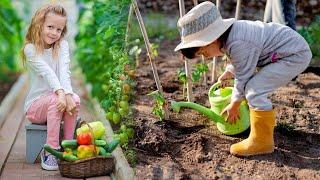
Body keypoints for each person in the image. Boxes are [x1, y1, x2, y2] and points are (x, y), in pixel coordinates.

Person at [175, 1, 311, 156]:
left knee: (254, 89)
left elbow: (243, 74)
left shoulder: (238, 41)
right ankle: (260, 127)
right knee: (252, 88)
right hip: (284, 53)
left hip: (293, 56)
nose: (205, 57)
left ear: (211, 40)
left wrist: (234, 104)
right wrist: (229, 71)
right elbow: (242, 59)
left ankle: (262, 141)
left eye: (203, 53)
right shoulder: (232, 37)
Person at [21, 4, 80, 170]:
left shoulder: (62, 46)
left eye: (59, 29)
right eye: (50, 27)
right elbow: (48, 73)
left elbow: (64, 72)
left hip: (57, 101)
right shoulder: (30, 49)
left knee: (75, 99)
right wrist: (61, 94)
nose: (54, 33)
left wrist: (67, 95)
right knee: (56, 99)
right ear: (39, 24)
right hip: (36, 107)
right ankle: (51, 150)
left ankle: (68, 147)